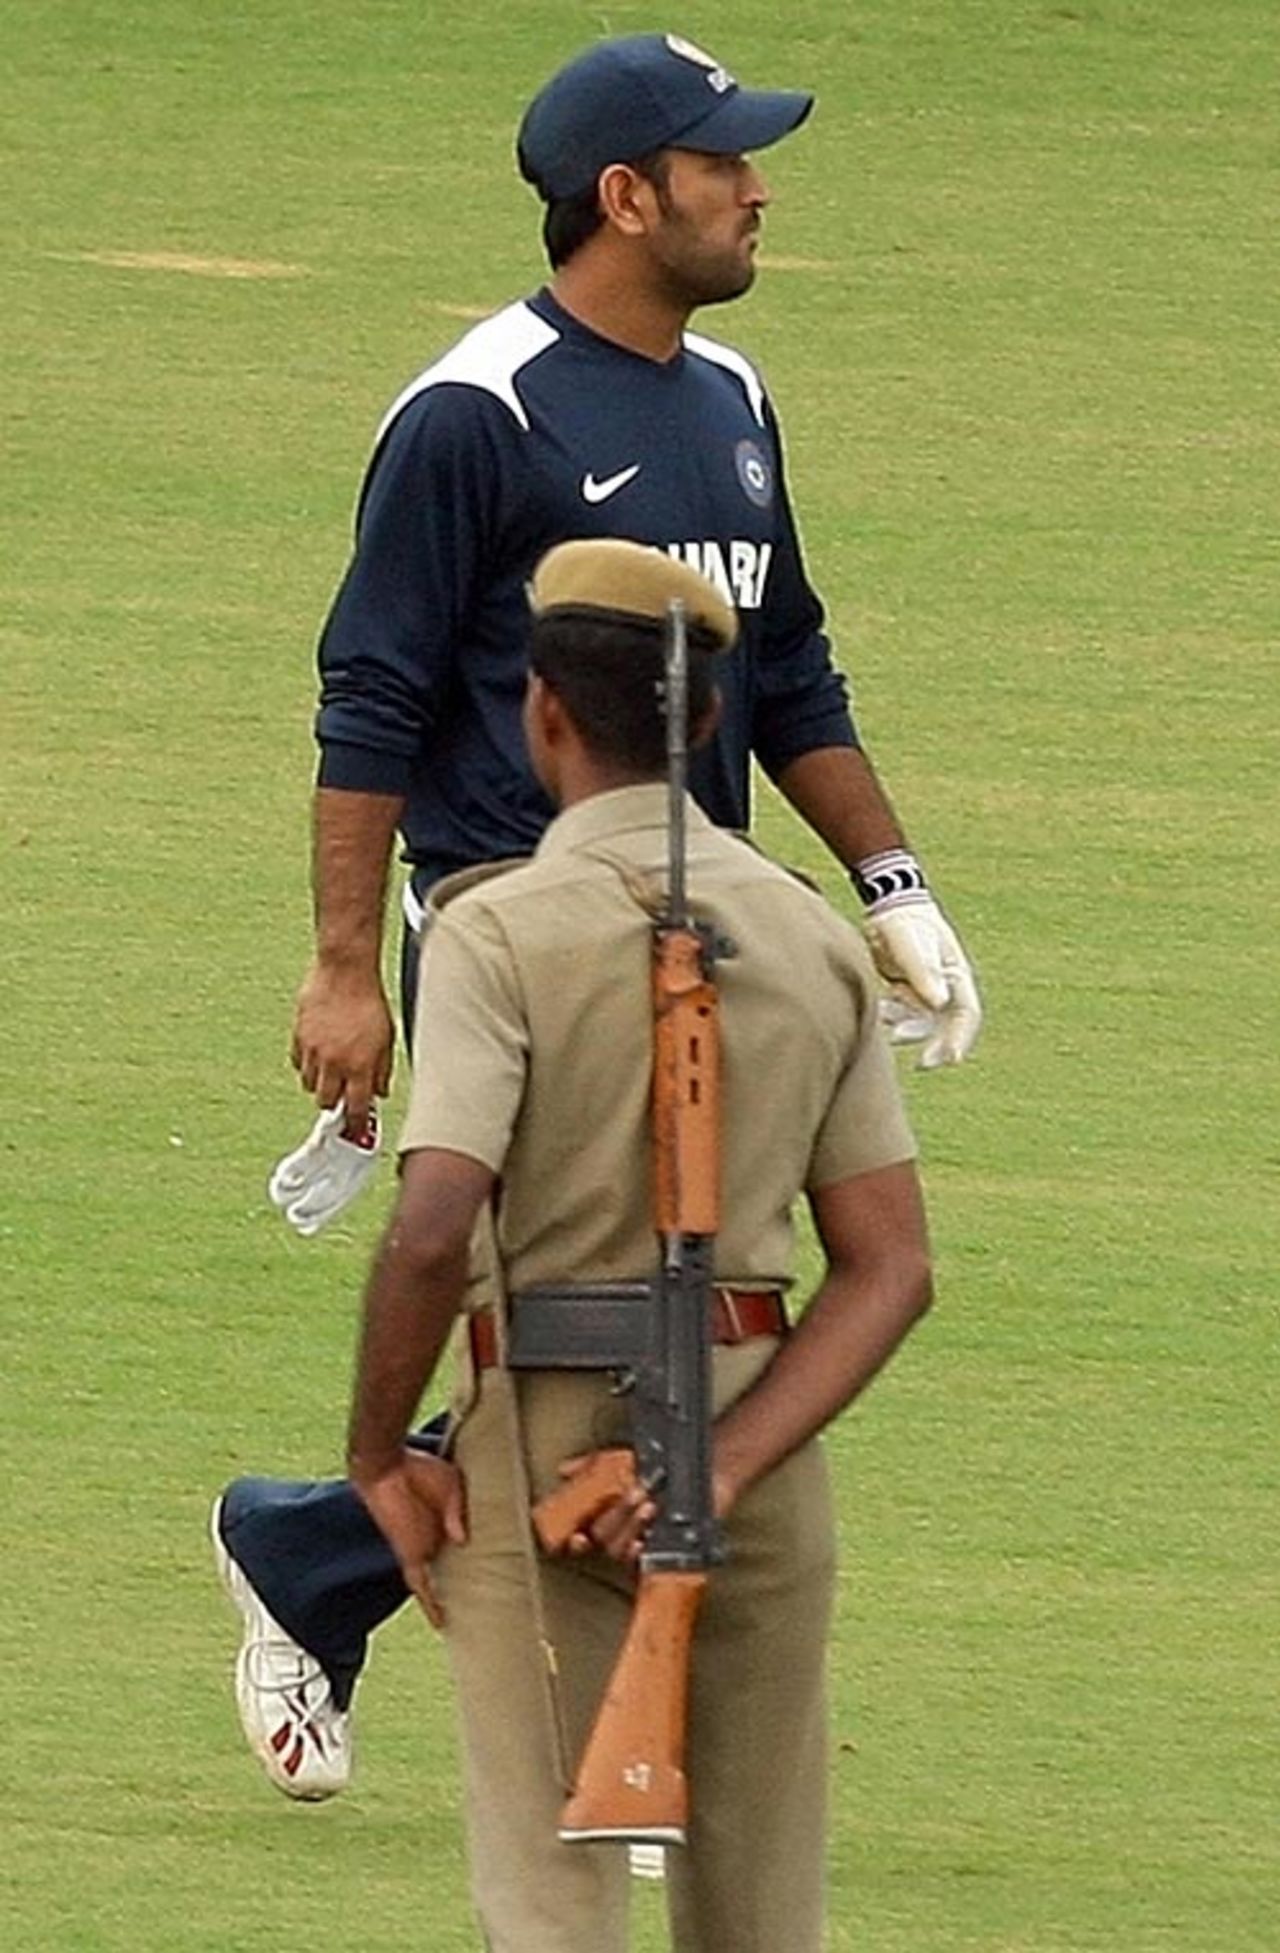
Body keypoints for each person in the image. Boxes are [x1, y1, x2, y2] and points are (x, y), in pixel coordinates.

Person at [211, 30, 978, 1801]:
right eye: (724, 163)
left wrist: (893, 882)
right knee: (615, 1327)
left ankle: (317, 1550)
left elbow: (789, 668)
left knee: (671, 1326)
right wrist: (344, 969)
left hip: (706, 938)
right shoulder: (476, 413)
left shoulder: (736, 400)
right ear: (626, 197)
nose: (757, 189)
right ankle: (600, 1705)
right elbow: (372, 697)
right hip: (510, 926)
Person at [346, 536, 933, 1952]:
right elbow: (892, 1263)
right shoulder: (808, 936)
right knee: (761, 1914)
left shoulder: (495, 932)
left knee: (552, 1906)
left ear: (541, 709)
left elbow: (432, 1223)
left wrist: (375, 1456)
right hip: (758, 1443)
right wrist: (720, 1467)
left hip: (540, 1446)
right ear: (714, 719)